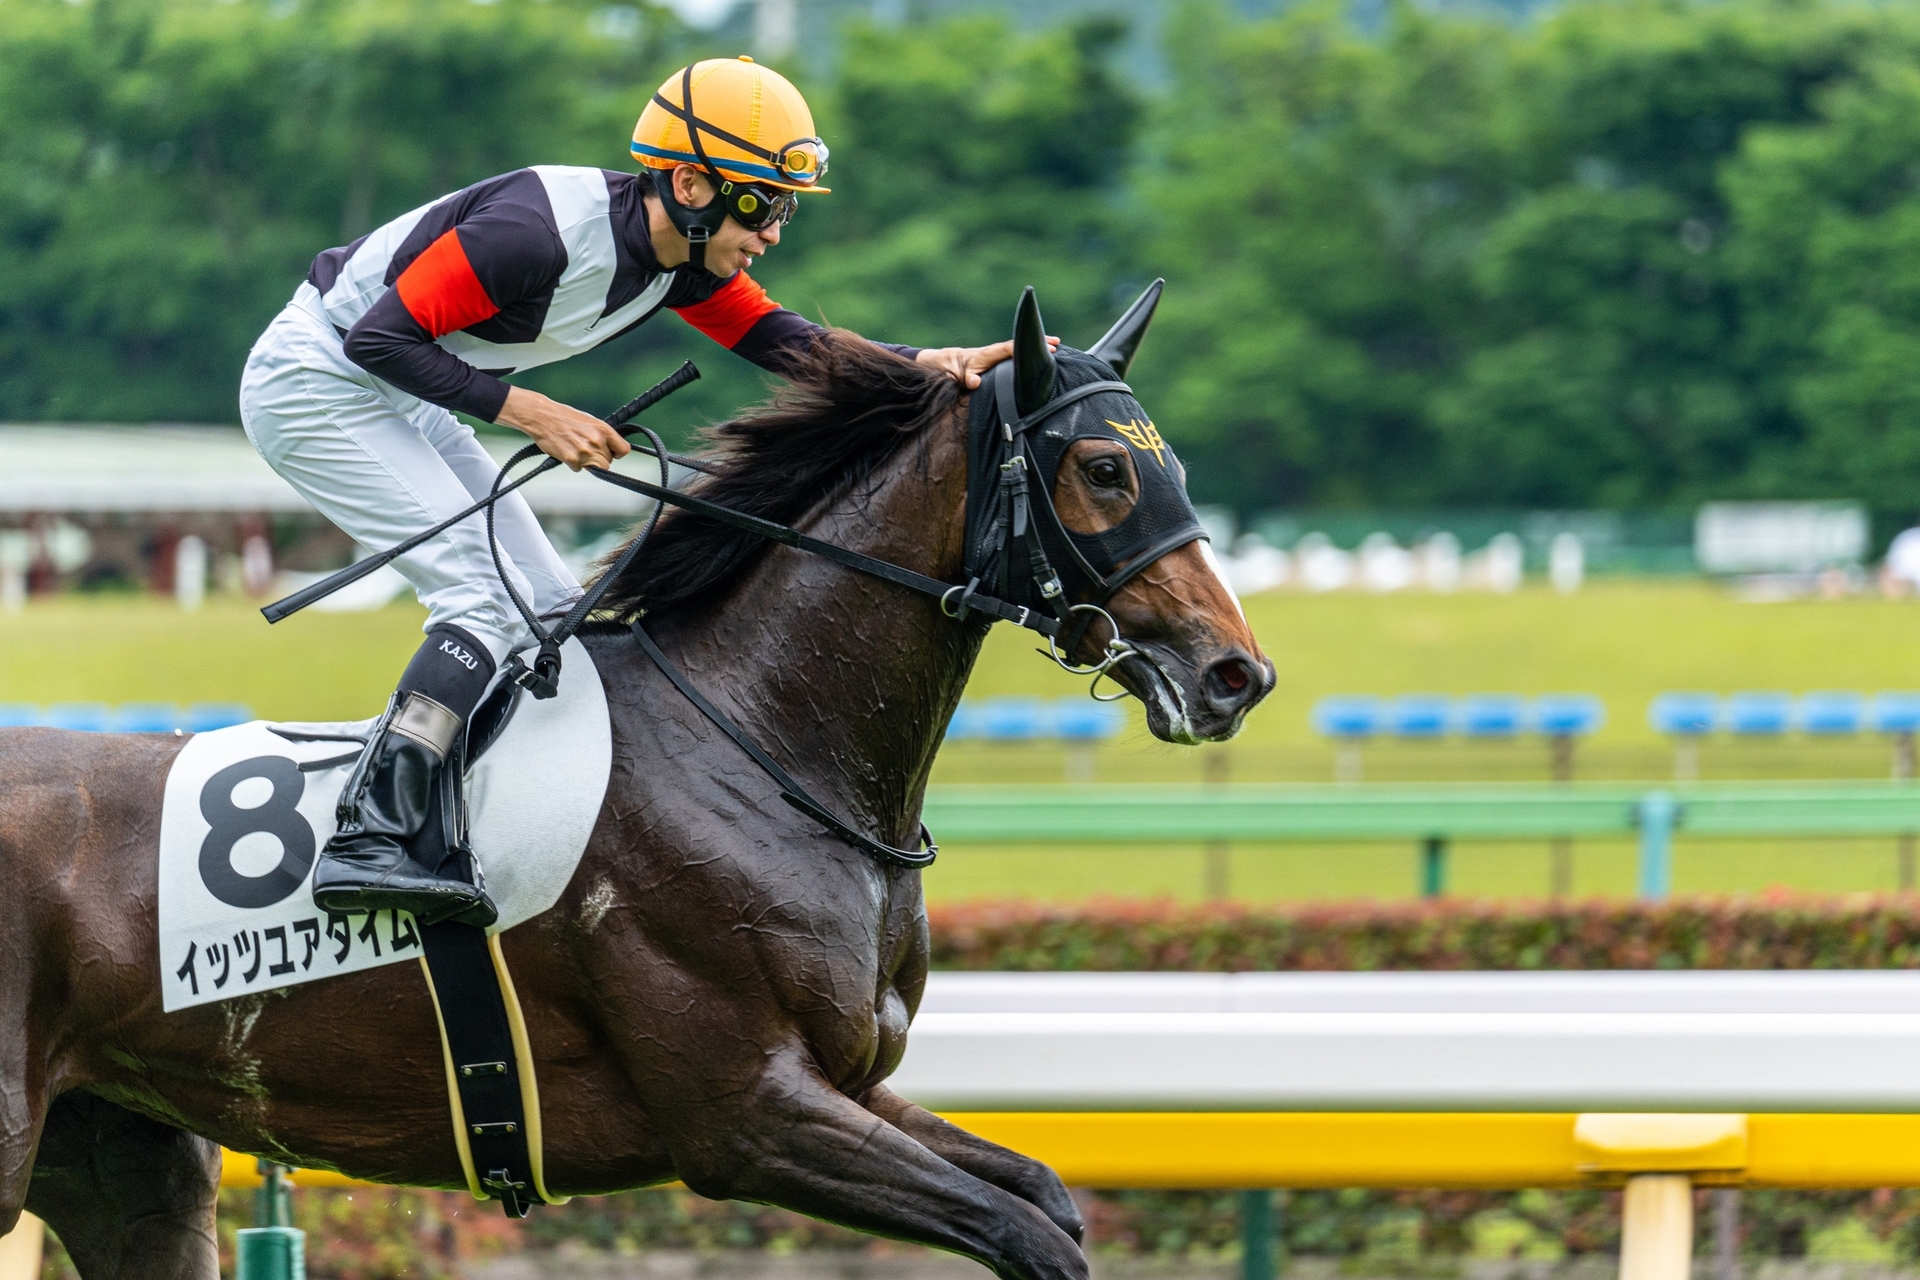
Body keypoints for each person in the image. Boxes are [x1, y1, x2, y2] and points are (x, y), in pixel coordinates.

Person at [239, 57, 1019, 928]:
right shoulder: (534, 234)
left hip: (404, 392)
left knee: (551, 612)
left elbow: (786, 341)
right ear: (689, 180)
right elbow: (379, 339)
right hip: (318, 379)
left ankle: (472, 820)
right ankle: (372, 835)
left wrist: (924, 363)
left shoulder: (681, 258)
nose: (771, 233)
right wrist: (534, 412)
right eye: (761, 203)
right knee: (480, 601)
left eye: (784, 208)